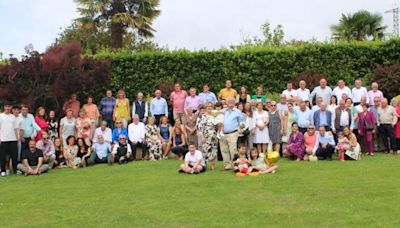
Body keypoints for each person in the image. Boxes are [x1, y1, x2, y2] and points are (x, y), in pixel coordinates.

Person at [197, 102, 218, 170]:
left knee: (213, 151)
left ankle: (213, 166)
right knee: (205, 151)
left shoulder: (214, 116)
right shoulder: (201, 116)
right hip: (205, 136)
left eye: (211, 106)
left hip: (214, 136)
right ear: (205, 108)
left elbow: (216, 126)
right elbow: (199, 128)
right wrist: (202, 137)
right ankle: (204, 166)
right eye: (208, 106)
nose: (210, 107)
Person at [0, 103, 19, 176]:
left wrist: (17, 138)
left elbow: (15, 128)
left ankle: (15, 170)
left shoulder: (13, 117)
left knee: (14, 156)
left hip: (13, 139)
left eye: (9, 106)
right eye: (6, 106)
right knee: (3, 156)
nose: (8, 108)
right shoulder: (1, 116)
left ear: (11, 108)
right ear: (4, 107)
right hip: (4, 139)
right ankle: (3, 170)